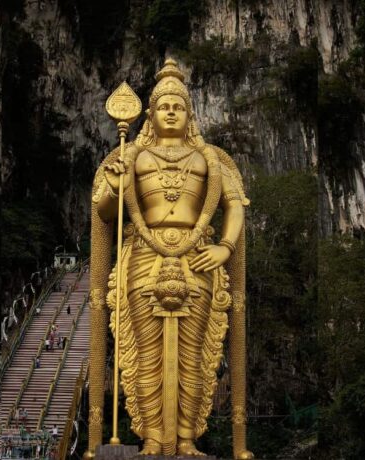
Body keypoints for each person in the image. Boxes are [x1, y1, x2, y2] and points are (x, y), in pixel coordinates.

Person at [88, 59, 252, 458]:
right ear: (151, 114)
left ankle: (186, 439)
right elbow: (105, 211)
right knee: (145, 353)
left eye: (179, 105)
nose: (172, 111)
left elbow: (235, 206)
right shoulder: (132, 154)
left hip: (199, 258)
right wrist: (115, 181)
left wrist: (224, 247)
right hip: (144, 256)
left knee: (194, 355)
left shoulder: (211, 158)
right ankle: (151, 439)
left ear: (190, 113)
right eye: (164, 106)